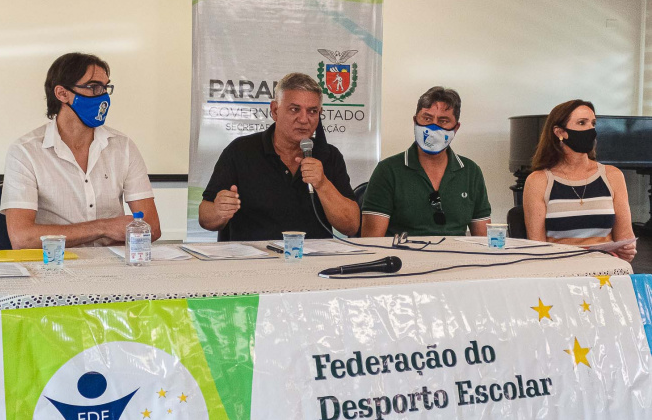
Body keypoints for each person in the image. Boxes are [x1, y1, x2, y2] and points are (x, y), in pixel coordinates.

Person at [2, 52, 161, 248]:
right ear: (62, 94)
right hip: (54, 267)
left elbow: (151, 227)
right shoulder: (25, 152)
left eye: (105, 88)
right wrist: (103, 227)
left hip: (114, 267)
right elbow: (22, 238)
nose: (102, 96)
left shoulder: (123, 146)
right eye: (94, 87)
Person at [198, 72, 360, 240]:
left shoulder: (329, 156)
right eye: (294, 109)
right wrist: (219, 211)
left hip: (312, 261)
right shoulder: (241, 151)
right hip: (252, 261)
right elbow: (205, 218)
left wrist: (322, 184)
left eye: (312, 111)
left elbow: (351, 226)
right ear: (275, 110)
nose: (304, 119)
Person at [362, 86, 491, 237]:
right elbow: (372, 243)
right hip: (405, 258)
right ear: (415, 121)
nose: (433, 127)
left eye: (443, 121)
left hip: (457, 258)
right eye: (427, 118)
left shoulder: (471, 171)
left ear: (456, 128)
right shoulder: (388, 171)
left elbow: (484, 241)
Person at [523, 99, 636, 262]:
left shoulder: (613, 175)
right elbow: (537, 247)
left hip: (606, 268)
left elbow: (626, 240)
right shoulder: (538, 181)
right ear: (560, 132)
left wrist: (628, 250)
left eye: (593, 124)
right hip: (560, 270)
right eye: (582, 123)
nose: (591, 129)